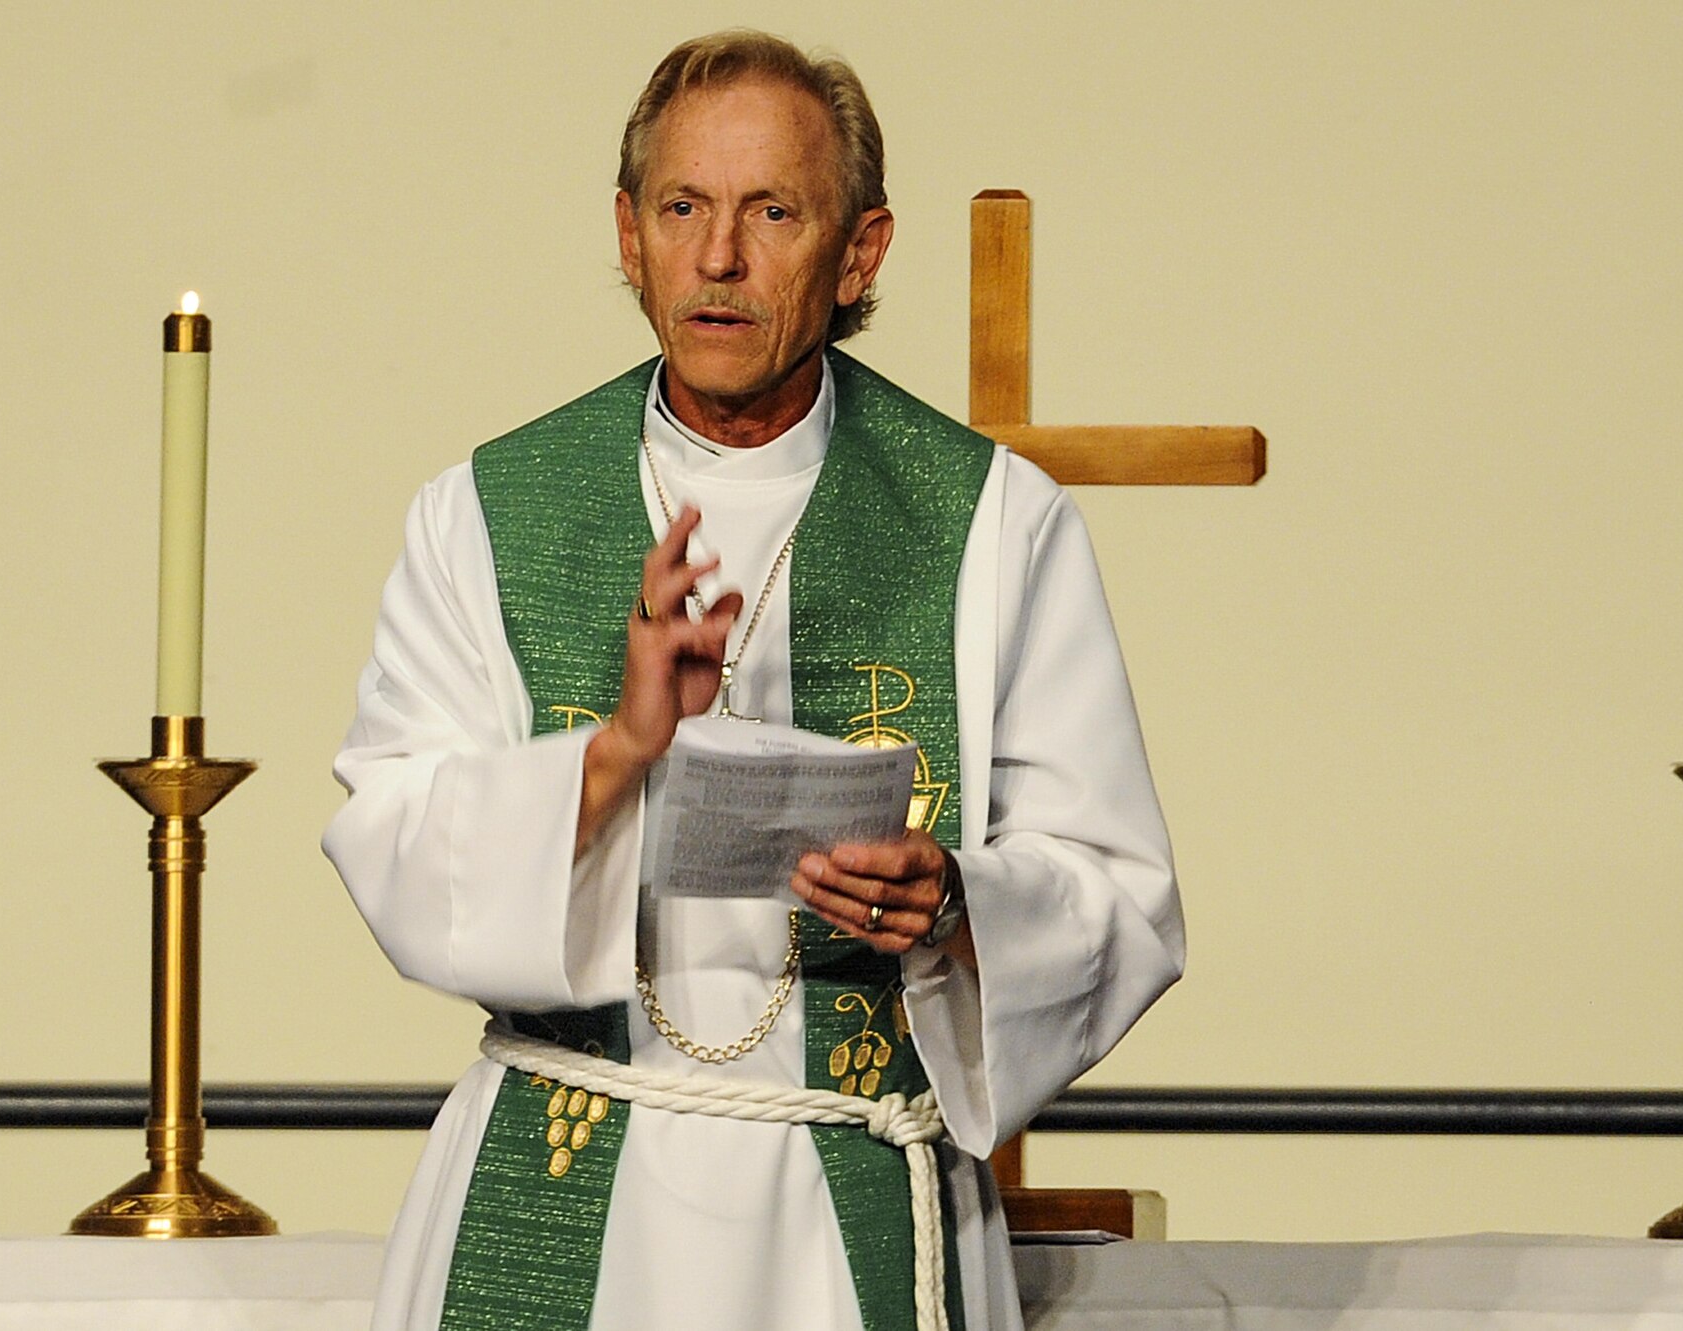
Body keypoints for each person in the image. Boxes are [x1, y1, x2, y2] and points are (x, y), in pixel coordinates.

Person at [323, 29, 1183, 1331]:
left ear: (861, 252)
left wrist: (954, 905)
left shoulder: (995, 524)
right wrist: (615, 753)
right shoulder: (490, 512)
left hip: (846, 1184)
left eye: (772, 212)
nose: (717, 259)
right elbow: (386, 838)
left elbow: (1120, 895)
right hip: (561, 1168)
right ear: (628, 232)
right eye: (683, 208)